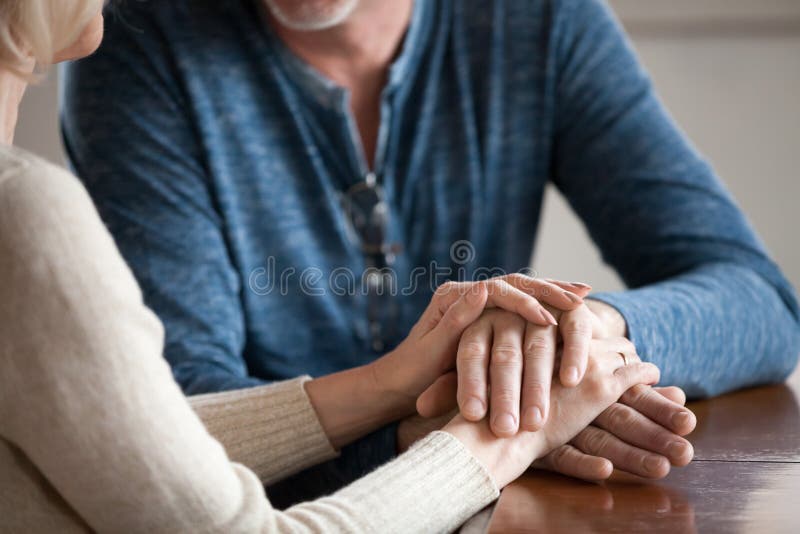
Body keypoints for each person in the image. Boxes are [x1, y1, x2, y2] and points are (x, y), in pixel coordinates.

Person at [61, 0, 800, 503]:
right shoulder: (132, 40)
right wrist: (494, 426)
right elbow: (189, 420)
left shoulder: (536, 19)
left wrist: (579, 336)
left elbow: (762, 301)